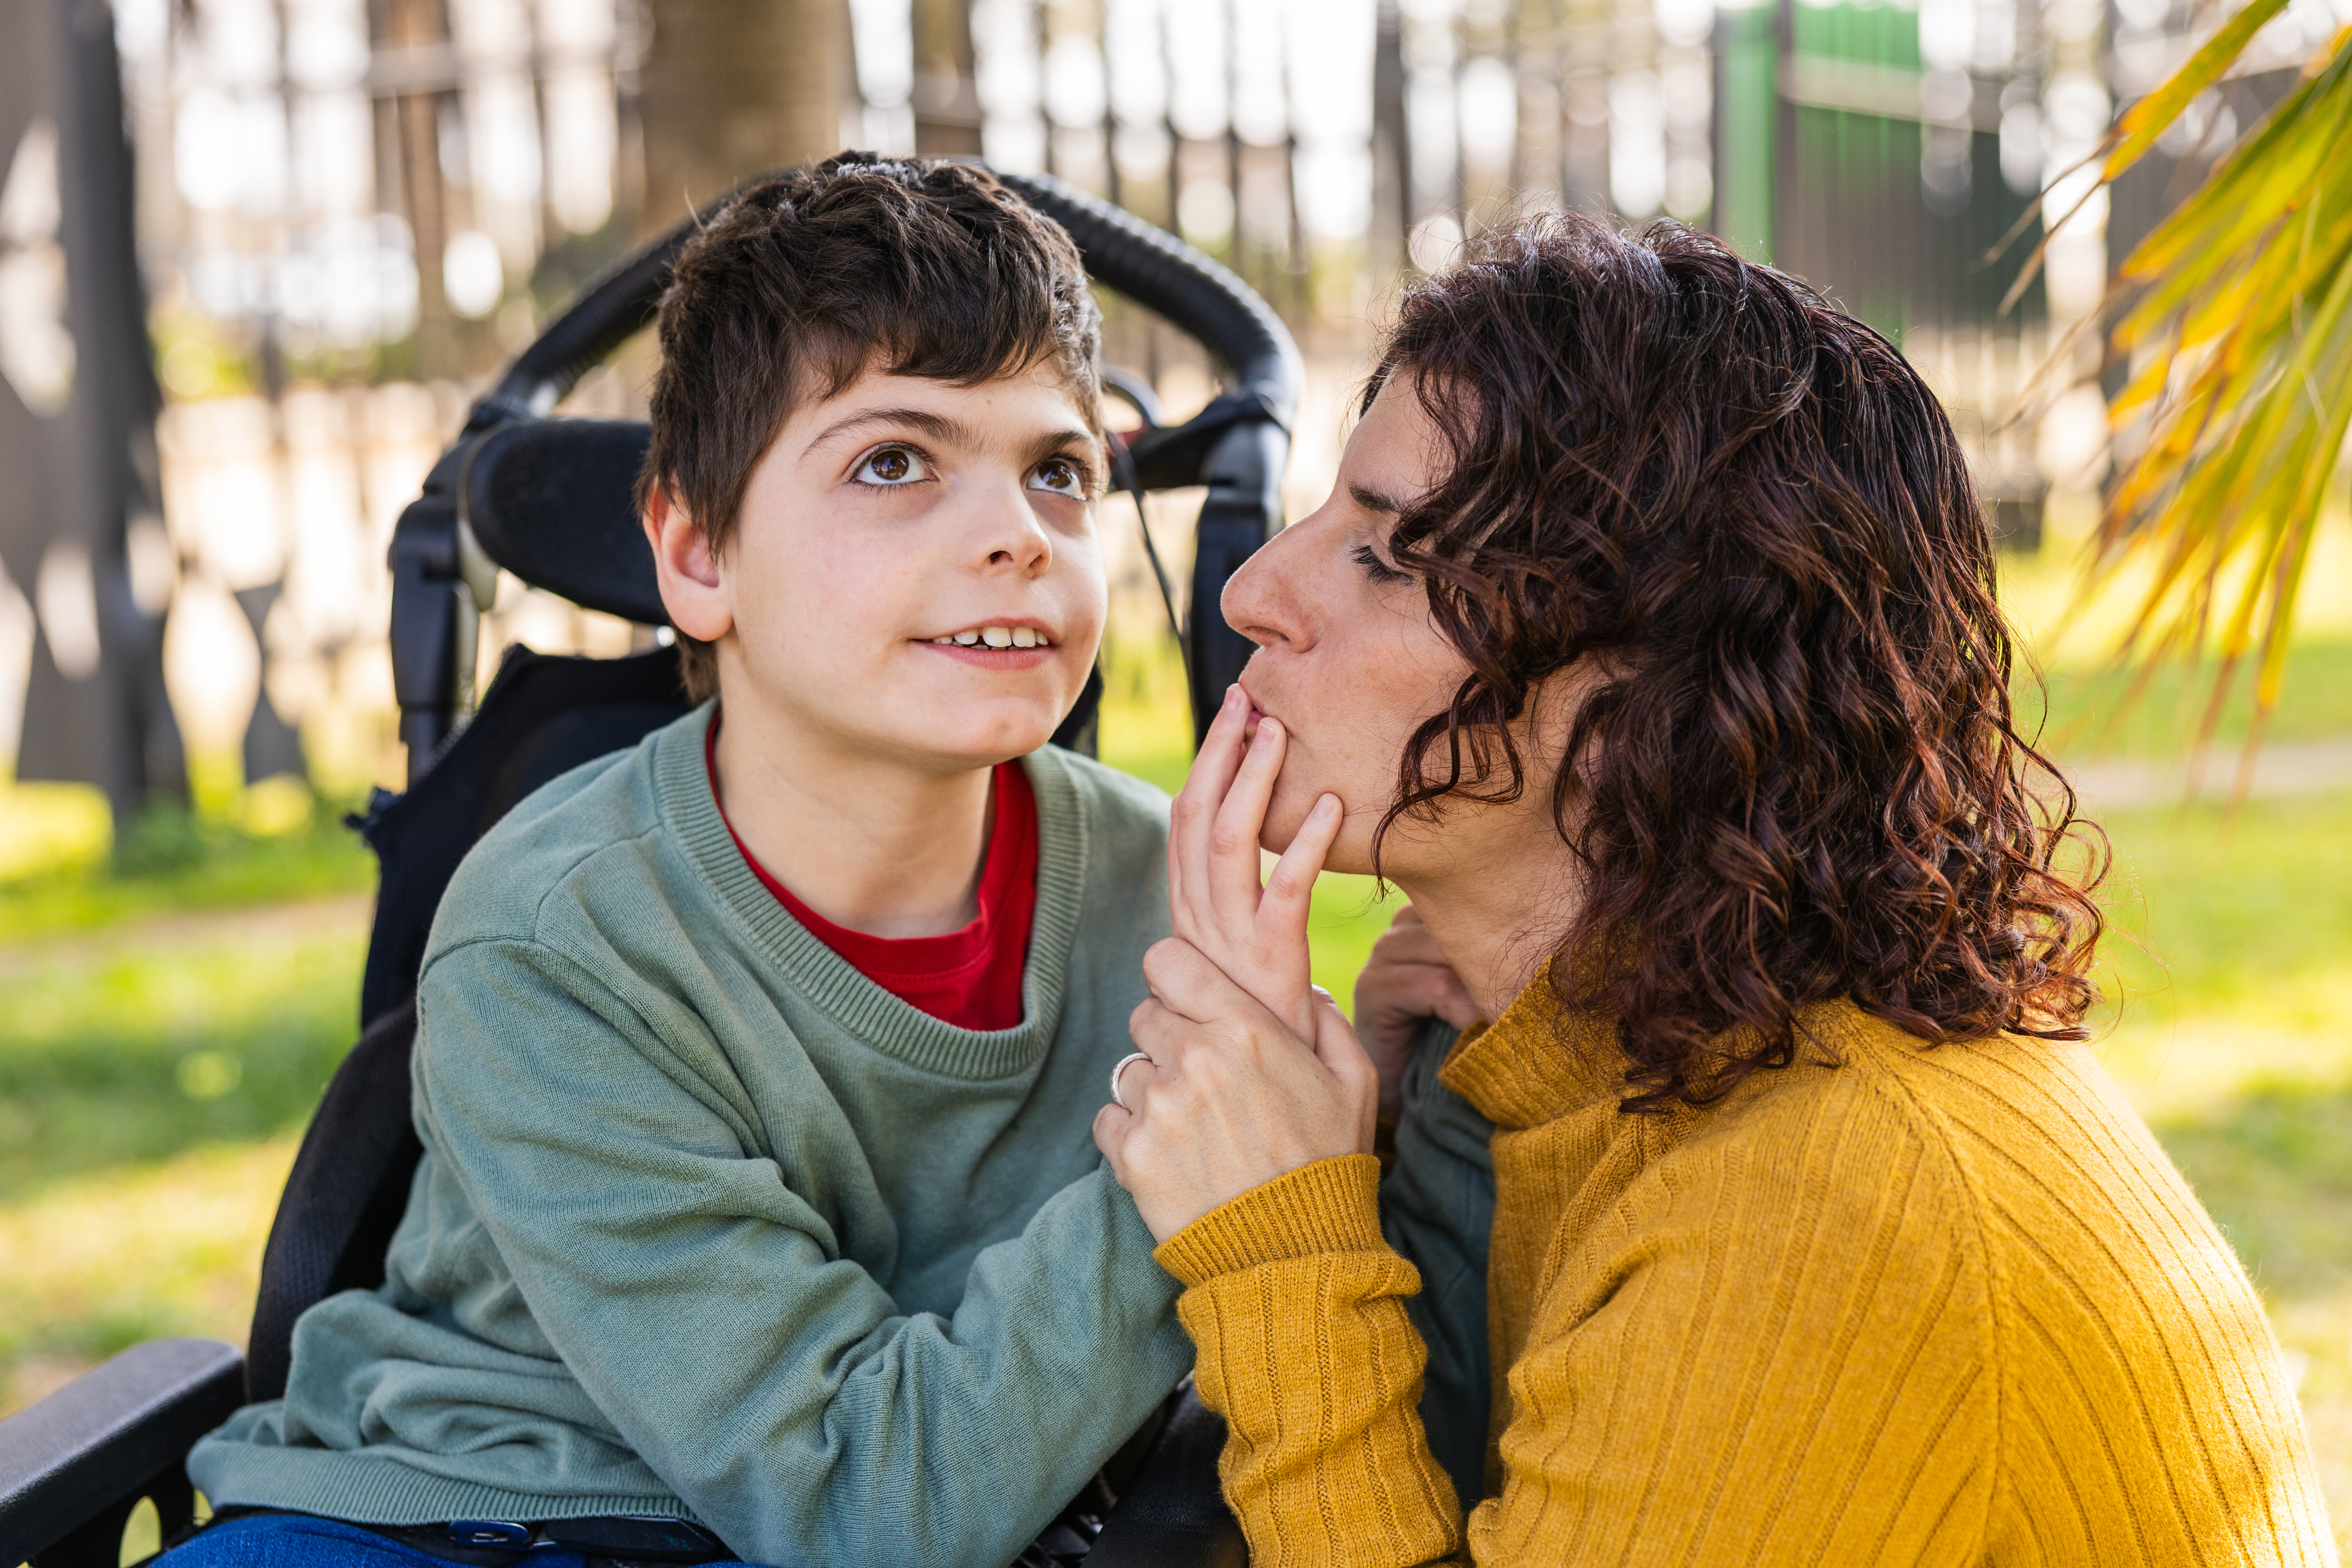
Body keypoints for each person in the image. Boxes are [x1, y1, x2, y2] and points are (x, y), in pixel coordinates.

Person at [1095, 213, 2338, 1564]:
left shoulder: (1816, 1216)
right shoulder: (1645, 1077)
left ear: (1659, 697)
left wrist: (1281, 1256)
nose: (1255, 593)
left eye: (1390, 557)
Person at [171, 155, 1200, 1568]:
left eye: (1059, 472)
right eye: (893, 462)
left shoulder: (1172, 895)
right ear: (697, 553)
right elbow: (864, 1503)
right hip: (491, 1509)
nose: (1017, 536)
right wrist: (1208, 1175)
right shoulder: (557, 940)